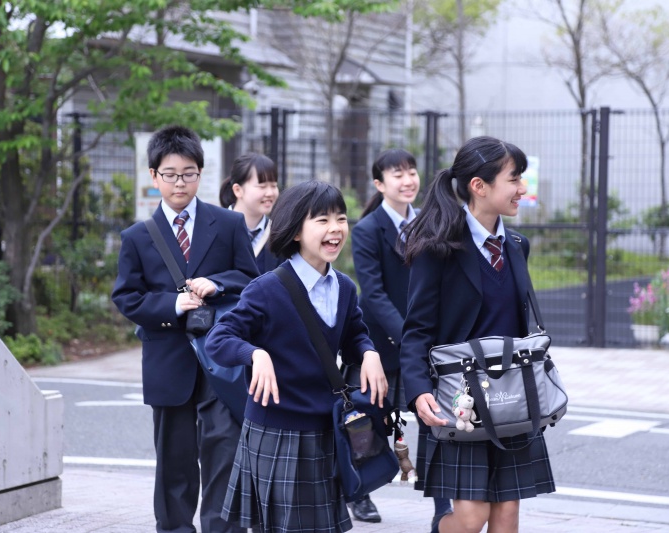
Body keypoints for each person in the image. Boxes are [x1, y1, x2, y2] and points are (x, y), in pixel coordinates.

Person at [205, 180, 388, 533]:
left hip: (324, 429)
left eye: (340, 218)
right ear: (295, 231)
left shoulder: (345, 288)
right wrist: (255, 354)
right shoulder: (266, 288)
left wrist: (368, 353)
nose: (335, 228)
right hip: (276, 430)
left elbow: (354, 337)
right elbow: (219, 339)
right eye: (321, 220)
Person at [400, 136, 555, 533]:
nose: (522, 188)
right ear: (479, 185)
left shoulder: (517, 245)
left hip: (515, 396)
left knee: (506, 517)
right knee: (471, 517)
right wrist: (418, 390)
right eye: (514, 178)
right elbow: (417, 329)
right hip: (459, 399)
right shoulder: (438, 247)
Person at [112, 125, 259, 533]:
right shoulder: (137, 237)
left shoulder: (228, 224)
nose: (181, 182)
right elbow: (127, 298)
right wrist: (172, 305)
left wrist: (219, 283)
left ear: (201, 174)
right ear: (154, 176)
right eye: (171, 174)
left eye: (189, 173)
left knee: (224, 451)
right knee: (174, 460)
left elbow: (252, 278)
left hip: (221, 359)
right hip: (168, 360)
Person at [346, 148, 450, 525]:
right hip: (381, 343)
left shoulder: (429, 222)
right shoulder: (368, 229)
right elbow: (372, 294)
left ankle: (443, 507)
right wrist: (410, 338)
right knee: (369, 422)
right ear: (379, 183)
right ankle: (359, 493)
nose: (407, 181)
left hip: (423, 343)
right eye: (397, 174)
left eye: (411, 172)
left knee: (435, 422)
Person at [219, 152, 280, 273]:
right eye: (262, 186)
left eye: (274, 186)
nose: (270, 193)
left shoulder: (278, 235)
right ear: (238, 190)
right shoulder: (214, 229)